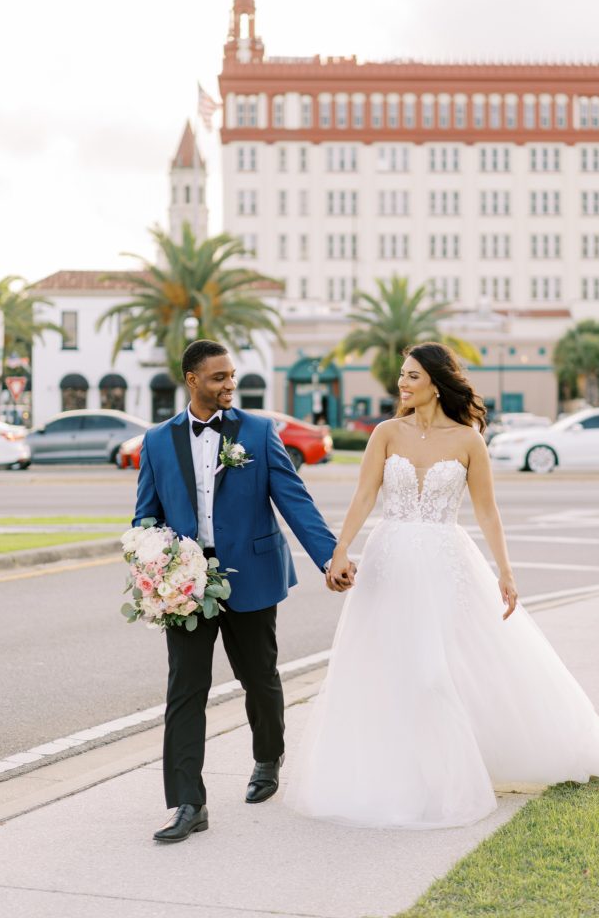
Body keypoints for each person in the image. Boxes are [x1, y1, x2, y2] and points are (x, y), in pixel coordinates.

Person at [285, 342, 599, 829]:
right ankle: (390, 774)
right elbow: (364, 496)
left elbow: (487, 511)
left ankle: (446, 777)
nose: (403, 384)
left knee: (434, 672)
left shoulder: (468, 440)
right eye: (402, 375)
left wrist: (505, 571)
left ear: (437, 383)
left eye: (413, 376)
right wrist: (340, 550)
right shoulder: (385, 433)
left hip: (446, 562)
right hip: (389, 561)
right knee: (384, 666)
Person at [133, 340, 354, 843]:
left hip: (250, 575)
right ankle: (188, 802)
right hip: (184, 585)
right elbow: (145, 517)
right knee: (185, 691)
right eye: (218, 378)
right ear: (192, 380)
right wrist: (155, 567)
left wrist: (329, 557)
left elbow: (294, 500)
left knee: (259, 677)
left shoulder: (257, 431)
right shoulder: (157, 441)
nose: (229, 385)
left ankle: (267, 755)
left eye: (231, 376)